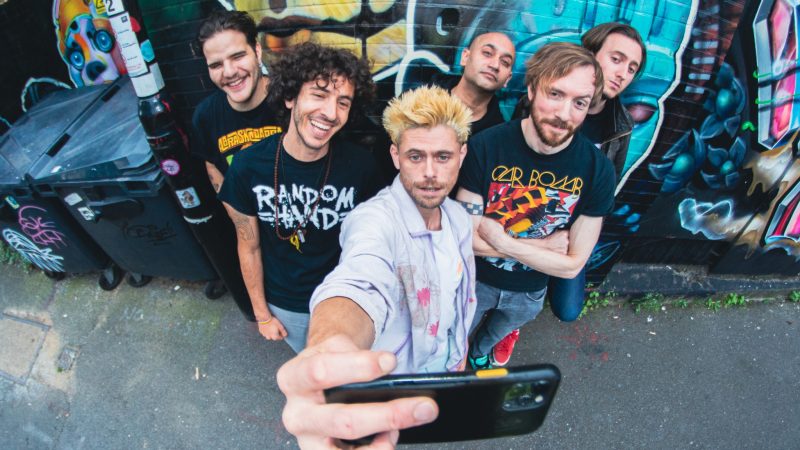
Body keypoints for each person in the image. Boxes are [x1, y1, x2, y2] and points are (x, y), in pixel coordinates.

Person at [277, 85, 475, 446]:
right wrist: (330, 347)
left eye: (443, 157)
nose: (430, 172)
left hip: (441, 370)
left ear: (461, 155)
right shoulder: (373, 220)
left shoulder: (459, 219)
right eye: (416, 156)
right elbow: (359, 281)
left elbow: (458, 300)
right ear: (395, 155)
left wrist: (457, 353)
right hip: (388, 387)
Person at [456, 42, 616, 369]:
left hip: (529, 293)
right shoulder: (486, 146)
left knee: (492, 336)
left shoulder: (597, 169)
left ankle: (480, 354)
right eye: (555, 94)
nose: (564, 114)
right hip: (474, 282)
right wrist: (544, 247)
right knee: (455, 340)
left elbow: (572, 266)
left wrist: (501, 241)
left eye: (579, 102)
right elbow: (464, 240)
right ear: (531, 90)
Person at [494, 24, 646, 364]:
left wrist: (572, 232)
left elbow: (607, 187)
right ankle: (510, 320)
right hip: (526, 211)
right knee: (507, 271)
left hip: (573, 223)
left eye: (632, 68)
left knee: (568, 309)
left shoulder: (619, 126)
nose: (622, 73)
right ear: (590, 56)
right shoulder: (543, 101)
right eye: (616, 59)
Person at [218, 42, 381, 353]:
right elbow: (248, 245)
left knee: (348, 373)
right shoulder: (248, 166)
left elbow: (376, 239)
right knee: (310, 365)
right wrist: (263, 315)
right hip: (287, 304)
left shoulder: (362, 167)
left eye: (343, 102)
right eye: (319, 95)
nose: (331, 113)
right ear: (291, 97)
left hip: (344, 296)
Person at [191, 10, 282, 193]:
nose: (229, 72)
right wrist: (242, 223)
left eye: (237, 56)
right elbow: (213, 167)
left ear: (257, 50)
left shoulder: (292, 99)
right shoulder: (205, 116)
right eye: (216, 65)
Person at [437, 32, 516, 135]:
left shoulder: (498, 137)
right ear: (465, 57)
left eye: (505, 62)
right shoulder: (417, 105)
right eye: (487, 53)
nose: (495, 65)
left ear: (507, 79)